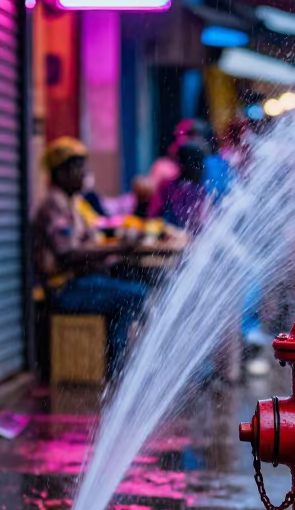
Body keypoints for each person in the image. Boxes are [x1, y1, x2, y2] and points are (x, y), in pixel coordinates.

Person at [33, 137, 149, 378]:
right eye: (79, 168)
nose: (85, 174)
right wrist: (118, 248)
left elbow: (90, 238)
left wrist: (117, 244)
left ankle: (116, 368)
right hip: (65, 290)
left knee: (128, 294)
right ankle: (118, 369)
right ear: (61, 171)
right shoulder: (55, 204)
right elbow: (68, 253)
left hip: (78, 284)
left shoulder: (71, 202)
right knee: (134, 295)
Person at [148, 143, 208, 231]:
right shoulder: (167, 187)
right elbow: (153, 216)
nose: (201, 169)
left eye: (201, 164)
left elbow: (202, 221)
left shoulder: (200, 190)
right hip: (168, 237)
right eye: (196, 164)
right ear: (182, 164)